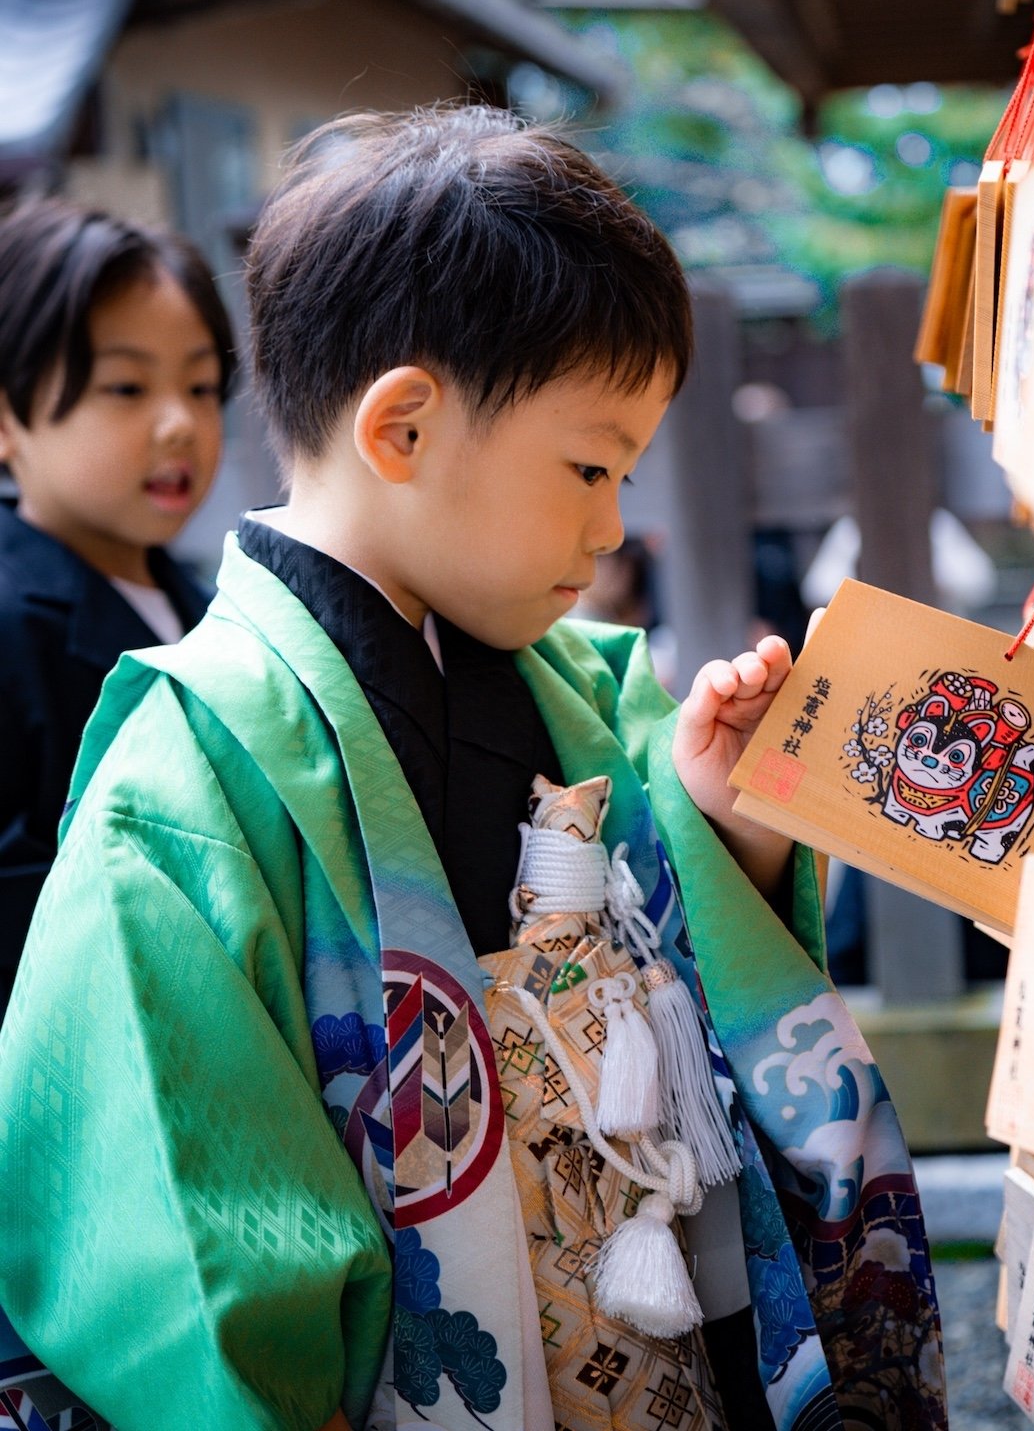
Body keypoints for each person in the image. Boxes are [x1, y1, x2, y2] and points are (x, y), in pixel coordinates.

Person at [0, 111, 946, 1431]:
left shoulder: (587, 693)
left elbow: (701, 1017)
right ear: (403, 429)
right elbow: (188, 1231)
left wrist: (726, 833)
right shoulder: (188, 779)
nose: (611, 524)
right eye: (590, 466)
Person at [0, 200, 234, 1015]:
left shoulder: (217, 613)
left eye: (202, 387)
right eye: (127, 387)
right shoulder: (11, 626)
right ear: (8, 417)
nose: (180, 424)